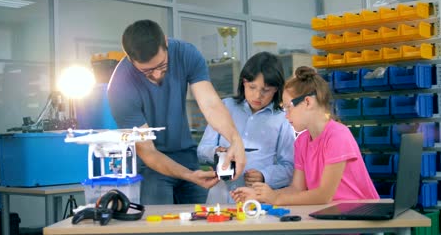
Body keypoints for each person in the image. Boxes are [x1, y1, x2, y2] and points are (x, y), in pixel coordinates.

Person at [107, 20, 246, 205]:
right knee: (159, 225)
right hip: (150, 166)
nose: (156, 75)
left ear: (166, 42)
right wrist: (188, 175)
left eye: (162, 66)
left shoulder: (186, 53)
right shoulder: (120, 86)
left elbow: (210, 104)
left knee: (200, 222)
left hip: (186, 156)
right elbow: (147, 151)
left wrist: (236, 140)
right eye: (147, 71)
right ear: (130, 59)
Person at [230, 66, 379, 205]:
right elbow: (297, 189)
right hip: (331, 216)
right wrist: (260, 195)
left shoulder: (338, 135)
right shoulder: (302, 141)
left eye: (288, 107)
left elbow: (323, 195)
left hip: (359, 218)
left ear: (307, 102)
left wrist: (276, 198)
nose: (286, 115)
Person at [197, 52, 295, 204]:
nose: (257, 95)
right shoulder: (225, 107)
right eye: (252, 87)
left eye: (266, 90)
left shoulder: (283, 118)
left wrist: (264, 176)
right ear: (243, 82)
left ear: (276, 89)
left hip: (256, 200)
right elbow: (202, 150)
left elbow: (290, 167)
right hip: (220, 197)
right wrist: (216, 152)